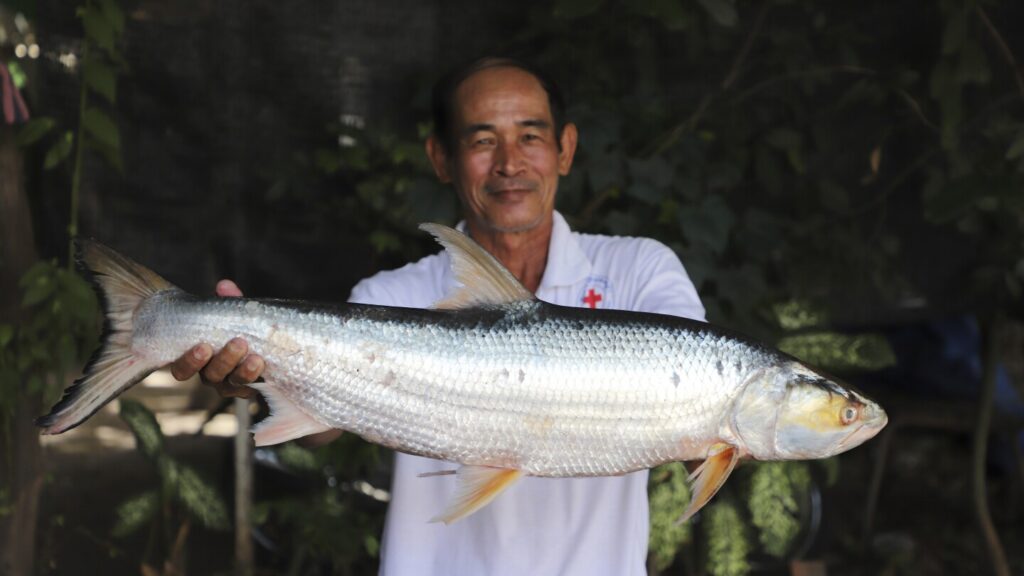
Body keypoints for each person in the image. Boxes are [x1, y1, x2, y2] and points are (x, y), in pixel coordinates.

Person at [170, 57, 705, 575]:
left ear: (565, 148)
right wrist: (262, 378)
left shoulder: (642, 270)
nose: (509, 163)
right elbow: (322, 428)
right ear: (441, 158)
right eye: (481, 140)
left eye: (530, 136)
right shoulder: (392, 292)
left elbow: (708, 417)